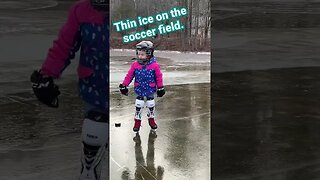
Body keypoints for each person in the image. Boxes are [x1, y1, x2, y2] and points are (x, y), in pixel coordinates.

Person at [30, 0, 109, 179]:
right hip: (95, 88)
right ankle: (89, 172)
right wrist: (47, 74)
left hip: (125, 89)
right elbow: (64, 46)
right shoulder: (81, 11)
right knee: (94, 137)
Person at [119, 41, 165, 132]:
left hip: (150, 89)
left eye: (142, 55)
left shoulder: (154, 66)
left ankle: (151, 120)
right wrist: (124, 85)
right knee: (139, 104)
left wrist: (160, 87)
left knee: (150, 104)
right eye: (139, 54)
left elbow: (159, 77)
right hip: (139, 88)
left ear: (149, 54)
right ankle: (137, 122)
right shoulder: (135, 65)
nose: (140, 56)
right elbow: (129, 76)